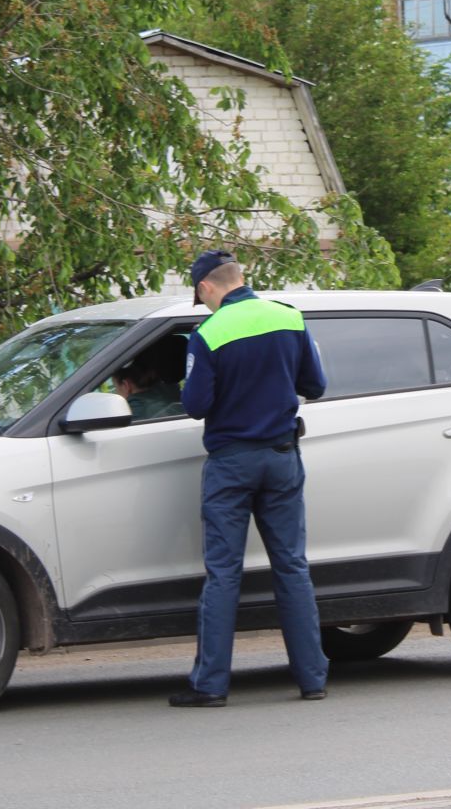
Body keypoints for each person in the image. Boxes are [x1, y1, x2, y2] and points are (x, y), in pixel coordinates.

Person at [169, 249, 329, 708]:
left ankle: (211, 686)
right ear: (242, 278)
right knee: (293, 567)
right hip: (282, 457)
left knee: (223, 573)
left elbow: (196, 405)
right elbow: (315, 386)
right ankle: (312, 678)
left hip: (231, 464)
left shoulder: (208, 333)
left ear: (206, 288)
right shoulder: (289, 318)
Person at [113, 335, 185, 420]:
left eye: (116, 387)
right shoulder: (177, 395)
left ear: (126, 385)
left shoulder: (134, 411)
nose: (116, 392)